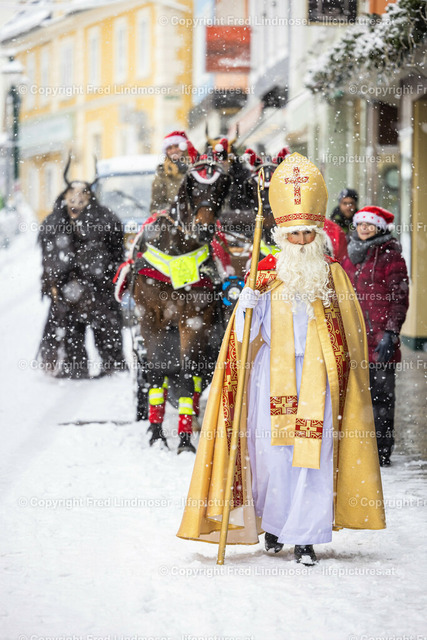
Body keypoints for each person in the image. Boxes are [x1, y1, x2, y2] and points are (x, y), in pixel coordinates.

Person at [177, 153, 385, 565]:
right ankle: (274, 525)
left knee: (313, 458)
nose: (302, 241)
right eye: (295, 235)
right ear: (282, 236)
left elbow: (349, 333)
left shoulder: (332, 275)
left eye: (308, 234)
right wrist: (246, 307)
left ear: (318, 235)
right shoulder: (265, 274)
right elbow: (243, 339)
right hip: (270, 377)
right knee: (273, 458)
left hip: (318, 377)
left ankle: (305, 537)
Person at [38, 167, 126, 379]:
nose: (76, 200)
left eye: (82, 195)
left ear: (89, 197)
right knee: (69, 333)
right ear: (64, 196)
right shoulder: (54, 222)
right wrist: (52, 284)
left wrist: (110, 280)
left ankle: (112, 367)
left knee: (107, 332)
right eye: (71, 194)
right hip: (66, 292)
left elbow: (116, 255)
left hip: (99, 290)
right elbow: (48, 258)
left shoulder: (106, 220)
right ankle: (74, 368)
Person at [342, 206, 409, 467]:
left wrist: (391, 332)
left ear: (379, 227)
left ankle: (381, 452)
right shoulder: (350, 255)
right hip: (354, 339)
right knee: (356, 399)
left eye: (370, 225)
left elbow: (400, 296)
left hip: (380, 341)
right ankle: (360, 449)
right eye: (361, 224)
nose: (364, 228)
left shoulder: (390, 255)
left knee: (381, 400)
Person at [150, 130, 198, 213]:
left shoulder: (196, 167)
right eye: (169, 148)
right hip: (173, 217)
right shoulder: (162, 173)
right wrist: (172, 212)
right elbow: (157, 204)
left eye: (176, 146)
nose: (174, 150)